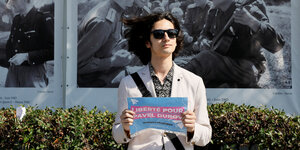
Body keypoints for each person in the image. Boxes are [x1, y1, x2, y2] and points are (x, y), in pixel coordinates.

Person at [112, 12, 211, 149]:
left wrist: (192, 128)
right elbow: (117, 136)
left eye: (171, 33)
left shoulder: (194, 82)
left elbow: (206, 136)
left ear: (176, 40)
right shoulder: (129, 83)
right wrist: (125, 127)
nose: (166, 38)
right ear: (148, 42)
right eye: (159, 34)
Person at [184, 0, 285, 88]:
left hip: (248, 67)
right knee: (179, 64)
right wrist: (203, 41)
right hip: (222, 63)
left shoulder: (248, 10)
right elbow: (204, 34)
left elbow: (277, 44)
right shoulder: (213, 12)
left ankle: (176, 89)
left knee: (204, 59)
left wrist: (252, 22)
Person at [77, 0, 135, 87]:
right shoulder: (103, 22)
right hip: (95, 81)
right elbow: (77, 65)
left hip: (105, 73)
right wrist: (113, 61)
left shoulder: (114, 9)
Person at [4, 0, 54, 87]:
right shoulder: (16, 19)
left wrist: (27, 56)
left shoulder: (42, 18)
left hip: (33, 74)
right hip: (12, 73)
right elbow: (10, 45)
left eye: (14, 0)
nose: (11, 3)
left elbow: (54, 51)